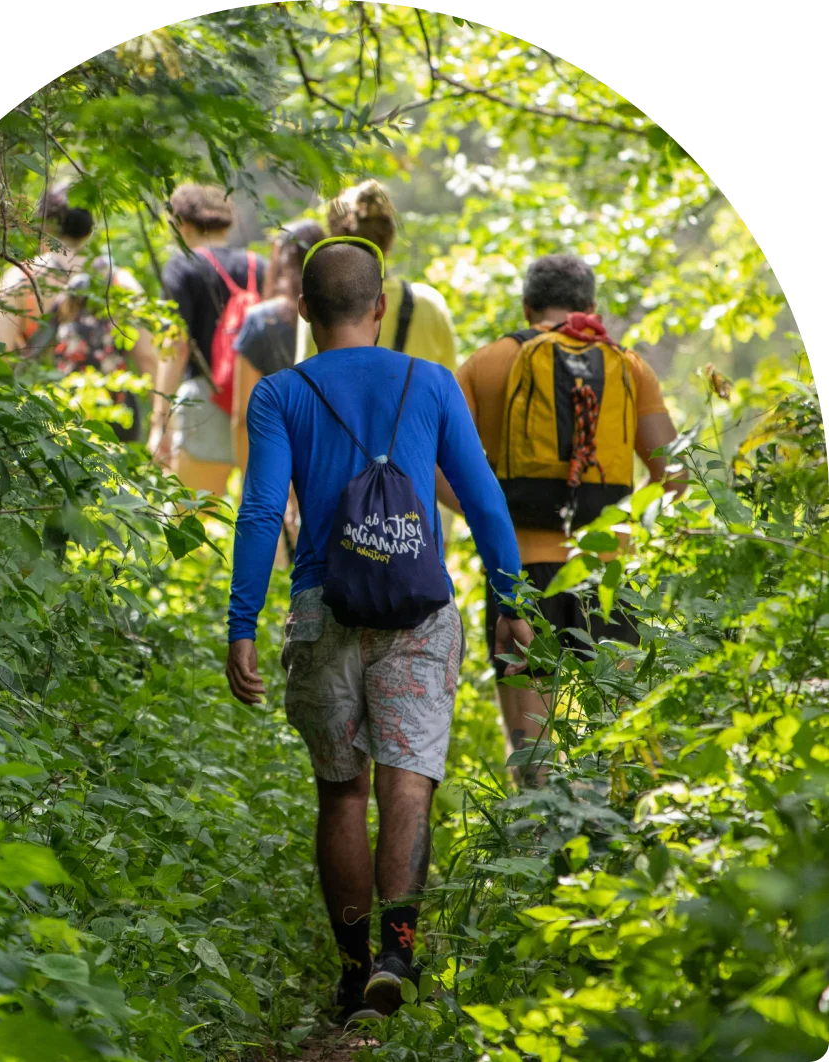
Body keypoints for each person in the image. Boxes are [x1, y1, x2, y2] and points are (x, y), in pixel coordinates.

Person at [225, 237, 533, 1026]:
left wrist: (241, 624)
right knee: (407, 779)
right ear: (380, 305)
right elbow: (485, 500)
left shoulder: (280, 395)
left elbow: (263, 511)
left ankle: (352, 968)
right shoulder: (429, 383)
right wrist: (509, 600)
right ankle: (398, 956)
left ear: (303, 311)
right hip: (416, 612)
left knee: (341, 790)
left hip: (320, 606)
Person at [440, 254, 685, 785]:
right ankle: (614, 845)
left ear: (528, 308)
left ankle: (535, 846)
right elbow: (678, 475)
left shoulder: (487, 364)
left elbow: (432, 466)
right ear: (590, 308)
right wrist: (622, 523)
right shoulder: (627, 366)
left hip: (519, 576)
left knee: (533, 758)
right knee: (620, 742)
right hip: (607, 575)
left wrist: (493, 518)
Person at [296, 180, 459, 550]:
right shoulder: (430, 305)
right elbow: (453, 410)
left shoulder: (321, 306)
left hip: (337, 497)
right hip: (419, 502)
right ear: (389, 238)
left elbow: (305, 402)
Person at [0, 181, 160, 443]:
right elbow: (149, 358)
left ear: (45, 227)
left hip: (45, 423)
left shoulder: (21, 280)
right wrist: (162, 427)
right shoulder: (120, 282)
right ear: (90, 229)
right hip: (113, 424)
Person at [153, 184, 268, 497]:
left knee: (189, 522)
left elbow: (174, 347)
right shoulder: (261, 267)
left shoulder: (182, 266)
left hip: (205, 401)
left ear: (183, 225)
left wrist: (159, 422)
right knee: (264, 519)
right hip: (259, 404)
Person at [232, 219, 325, 566]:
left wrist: (252, 493)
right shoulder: (335, 318)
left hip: (274, 471)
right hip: (324, 469)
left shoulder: (260, 321)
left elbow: (243, 417)